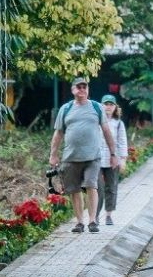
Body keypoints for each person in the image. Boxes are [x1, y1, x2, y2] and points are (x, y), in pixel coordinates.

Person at [49, 77, 118, 234]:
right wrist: (53, 155)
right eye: (78, 87)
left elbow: (106, 131)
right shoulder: (65, 109)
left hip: (92, 156)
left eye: (84, 87)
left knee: (91, 185)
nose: (82, 89)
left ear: (88, 89)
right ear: (73, 90)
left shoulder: (96, 107)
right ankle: (80, 222)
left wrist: (114, 154)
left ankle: (92, 220)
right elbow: (58, 133)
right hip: (71, 157)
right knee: (74, 190)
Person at [97, 95, 128, 226]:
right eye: (106, 104)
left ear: (115, 107)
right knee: (97, 188)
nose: (108, 107)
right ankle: (95, 215)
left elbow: (122, 142)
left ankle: (108, 215)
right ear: (101, 106)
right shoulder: (96, 121)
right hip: (97, 159)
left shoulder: (118, 123)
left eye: (111, 104)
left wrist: (123, 160)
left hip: (112, 159)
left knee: (112, 187)